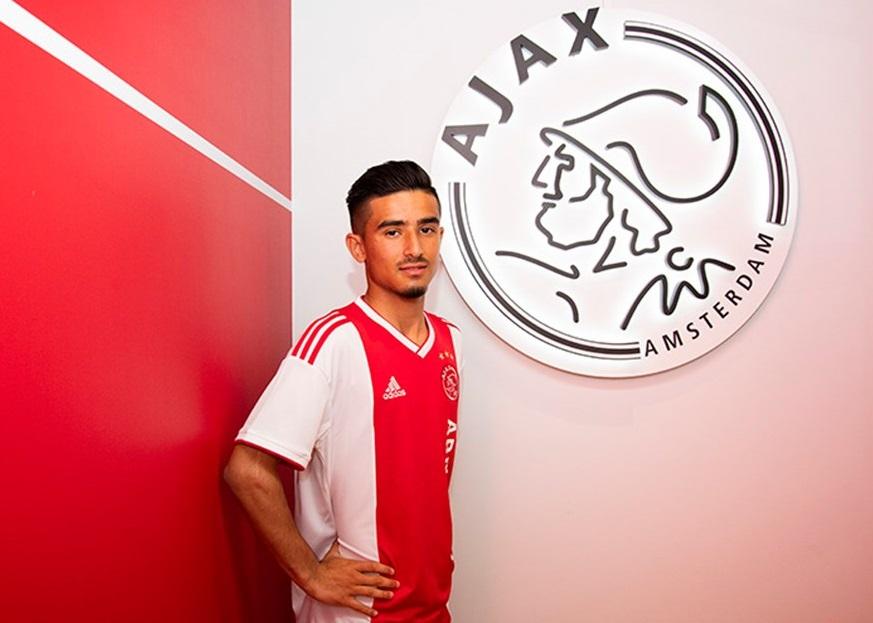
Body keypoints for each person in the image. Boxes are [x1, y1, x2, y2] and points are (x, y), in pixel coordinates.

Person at [224, 160, 463, 623]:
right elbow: (247, 470)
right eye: (392, 231)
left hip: (432, 604)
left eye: (426, 229)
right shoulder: (333, 341)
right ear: (358, 247)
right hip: (357, 611)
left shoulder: (450, 341)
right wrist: (311, 575)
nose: (414, 248)